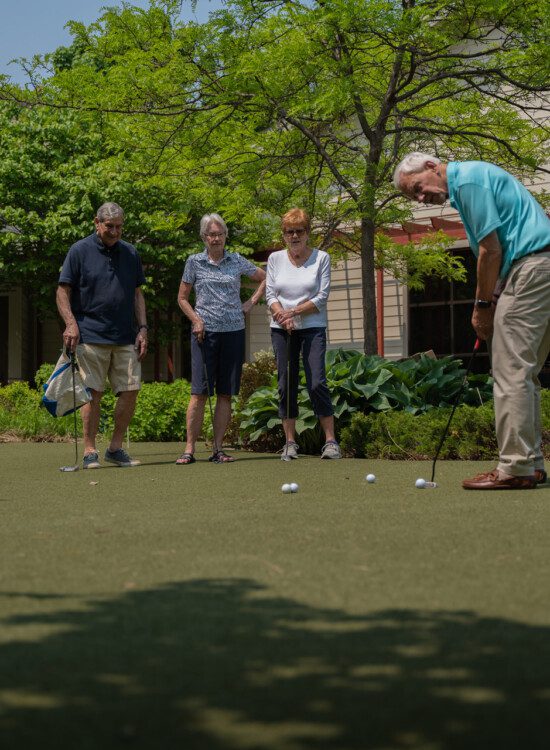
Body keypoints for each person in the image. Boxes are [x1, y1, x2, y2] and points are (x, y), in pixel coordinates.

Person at [394, 152, 550, 489]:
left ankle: (515, 468)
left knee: (510, 371)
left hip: (532, 270)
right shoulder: (477, 176)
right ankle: (531, 463)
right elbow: (505, 247)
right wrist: (496, 292)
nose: (422, 199)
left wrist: (481, 306)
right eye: (414, 197)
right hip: (539, 267)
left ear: (432, 167)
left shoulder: (466, 181)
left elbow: (490, 250)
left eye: (418, 188)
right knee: (526, 372)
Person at [56, 202, 148, 469]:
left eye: (119, 227)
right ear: (96, 223)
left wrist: (143, 328)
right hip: (91, 335)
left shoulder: (131, 253)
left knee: (131, 390)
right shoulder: (79, 251)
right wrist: (71, 324)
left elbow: (137, 294)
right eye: (109, 226)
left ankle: (115, 448)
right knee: (92, 394)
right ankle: (89, 451)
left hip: (125, 336)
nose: (115, 231)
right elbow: (63, 290)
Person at [176, 213, 266, 464]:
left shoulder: (237, 260)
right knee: (199, 393)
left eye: (220, 234)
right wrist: (196, 320)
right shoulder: (194, 262)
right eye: (211, 235)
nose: (215, 239)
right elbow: (182, 298)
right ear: (204, 237)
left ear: (226, 236)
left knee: (225, 393)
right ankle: (189, 450)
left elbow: (265, 277)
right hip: (204, 333)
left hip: (234, 333)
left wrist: (250, 302)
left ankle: (218, 449)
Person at [266, 208, 340, 460]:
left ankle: (330, 441)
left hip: (312, 328)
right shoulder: (275, 259)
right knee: (286, 383)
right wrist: (281, 316)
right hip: (281, 329)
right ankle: (290, 442)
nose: (294, 236)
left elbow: (321, 296)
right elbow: (270, 295)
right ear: (283, 234)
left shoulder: (322, 258)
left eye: (299, 231)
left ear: (308, 233)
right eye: (289, 231)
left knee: (317, 381)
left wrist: (293, 312)